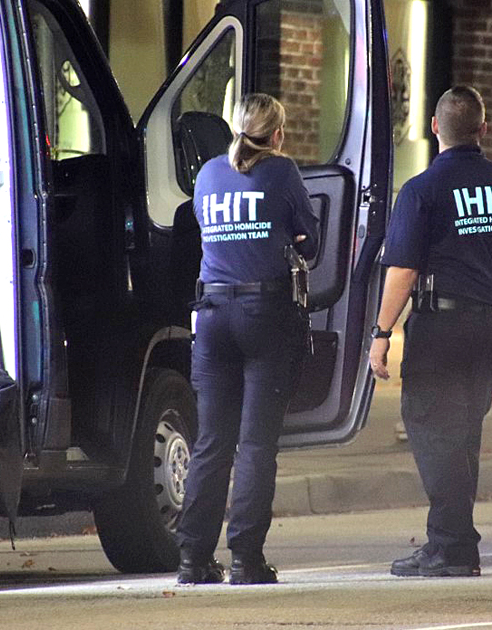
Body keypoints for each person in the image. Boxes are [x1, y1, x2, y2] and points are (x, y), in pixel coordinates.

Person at [369, 86, 492, 578]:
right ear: (483, 129)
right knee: (463, 436)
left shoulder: (421, 190)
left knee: (432, 430)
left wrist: (381, 333)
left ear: (434, 127)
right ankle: (453, 543)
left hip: (442, 329)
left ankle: (451, 547)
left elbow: (403, 270)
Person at [175, 93, 318, 585]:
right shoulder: (282, 171)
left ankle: (193, 560)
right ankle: (245, 559)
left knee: (211, 442)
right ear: (276, 134)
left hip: (212, 315)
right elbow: (311, 242)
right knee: (255, 444)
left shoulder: (208, 174)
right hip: (265, 314)